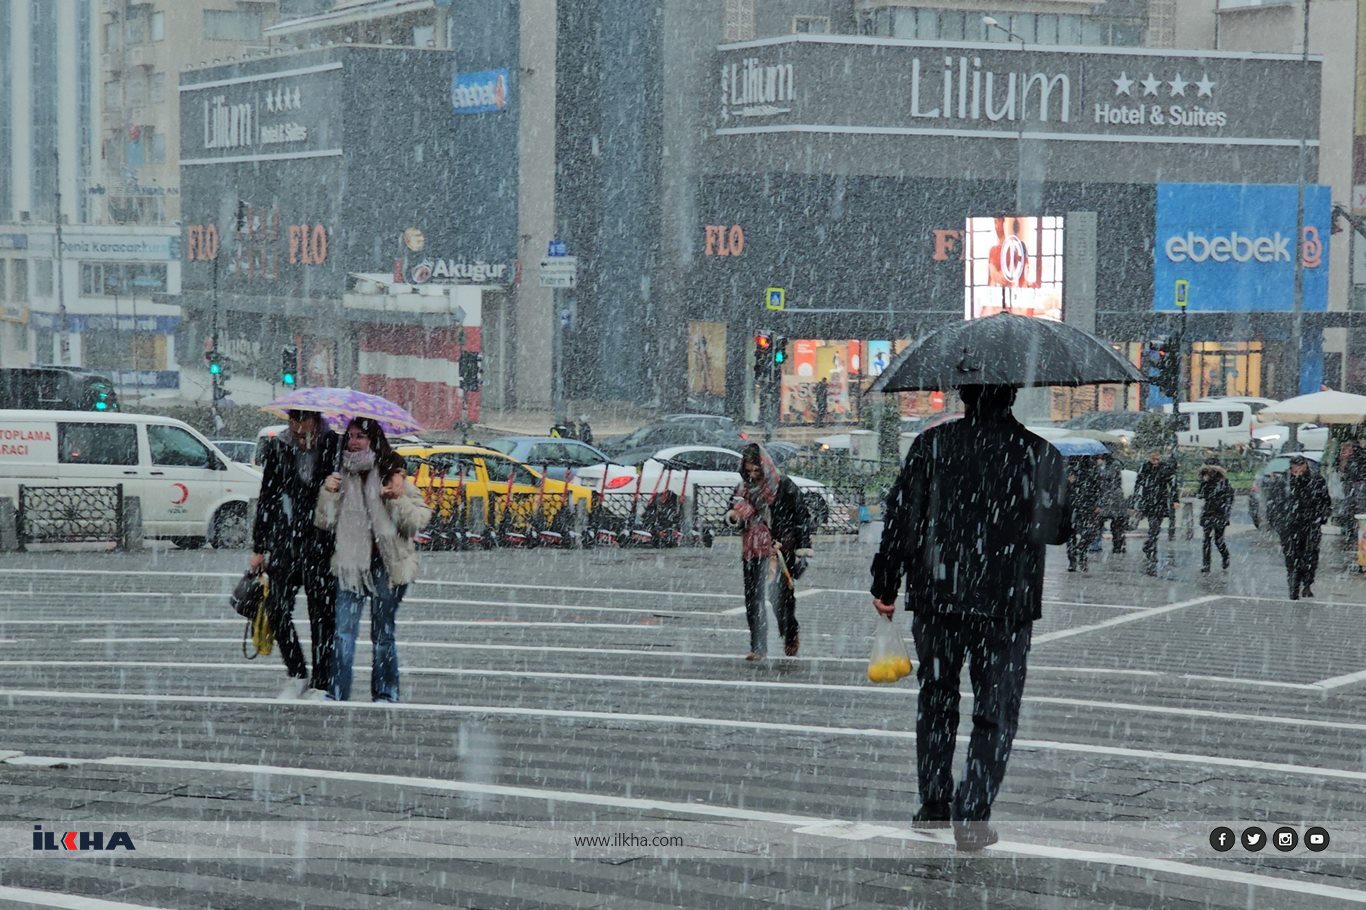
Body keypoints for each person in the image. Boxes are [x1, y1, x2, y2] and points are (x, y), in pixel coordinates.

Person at [869, 384, 1069, 852]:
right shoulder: (1039, 453)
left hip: (938, 594)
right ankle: (972, 813)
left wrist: (886, 580)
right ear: (1012, 396)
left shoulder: (932, 446)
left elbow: (902, 517)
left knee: (937, 699)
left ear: (963, 395)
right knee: (994, 710)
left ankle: (934, 801)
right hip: (1007, 601)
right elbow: (1058, 532)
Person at [314, 417, 432, 702]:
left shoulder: (392, 474)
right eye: (351, 436)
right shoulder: (341, 475)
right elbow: (324, 522)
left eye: (361, 436)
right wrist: (328, 493)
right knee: (343, 633)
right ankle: (337, 691)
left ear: (373, 440)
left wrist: (395, 498)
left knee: (383, 635)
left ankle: (386, 692)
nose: (354, 441)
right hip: (351, 565)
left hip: (387, 565)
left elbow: (418, 521)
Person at [250, 409, 342, 700]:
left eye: (303, 420)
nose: (298, 427)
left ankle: (321, 682)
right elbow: (267, 496)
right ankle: (297, 671)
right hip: (285, 542)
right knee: (277, 609)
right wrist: (258, 546)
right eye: (293, 420)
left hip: (322, 542)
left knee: (322, 616)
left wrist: (335, 483)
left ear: (316, 420)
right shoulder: (280, 447)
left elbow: (353, 488)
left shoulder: (334, 446)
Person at [724, 443, 813, 661]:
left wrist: (800, 544)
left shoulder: (783, 486)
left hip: (780, 549)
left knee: (780, 597)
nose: (753, 475)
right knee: (753, 597)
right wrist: (734, 517)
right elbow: (729, 515)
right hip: (752, 549)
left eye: (756, 470)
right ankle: (758, 646)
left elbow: (801, 515)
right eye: (748, 471)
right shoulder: (742, 490)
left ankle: (790, 630)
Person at [1282, 453, 1331, 599]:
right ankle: (1293, 585)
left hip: (1311, 524)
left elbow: (1325, 501)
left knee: (1310, 556)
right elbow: (1279, 501)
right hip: (1291, 525)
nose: (1298, 469)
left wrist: (1321, 517)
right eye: (1294, 466)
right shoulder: (1286, 481)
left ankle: (1307, 584)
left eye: (1300, 466)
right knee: (1292, 555)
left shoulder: (1316, 480)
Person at [1132, 450, 1180, 575]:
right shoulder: (1145, 468)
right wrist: (1136, 498)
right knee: (1153, 525)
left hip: (1160, 500)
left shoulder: (1164, 469)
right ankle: (1151, 546)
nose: (1156, 462)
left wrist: (1175, 499)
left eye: (1157, 459)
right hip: (1149, 500)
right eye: (1153, 459)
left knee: (1155, 526)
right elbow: (1138, 483)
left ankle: (1150, 545)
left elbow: (1173, 484)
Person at [1197, 457, 1232, 573]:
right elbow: (1200, 495)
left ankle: (1225, 556)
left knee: (1218, 539)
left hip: (1220, 513)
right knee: (1206, 539)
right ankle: (1206, 564)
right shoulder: (1205, 481)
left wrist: (1226, 510)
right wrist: (1204, 482)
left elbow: (1229, 498)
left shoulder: (1223, 482)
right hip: (1208, 512)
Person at [1065, 458, 1100, 572]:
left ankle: (1082, 554)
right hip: (1071, 504)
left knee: (1089, 531)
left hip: (1087, 504)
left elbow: (1097, 486)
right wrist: (1068, 481)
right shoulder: (1069, 467)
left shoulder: (1091, 467)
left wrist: (1097, 503)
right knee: (1070, 533)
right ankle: (1072, 560)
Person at [1094, 452, 1128, 554]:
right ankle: (1098, 543)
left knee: (1116, 522)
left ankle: (1118, 544)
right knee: (1099, 521)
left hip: (1113, 497)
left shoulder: (1114, 464)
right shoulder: (1102, 464)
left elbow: (1110, 478)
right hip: (1105, 496)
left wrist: (1099, 470)